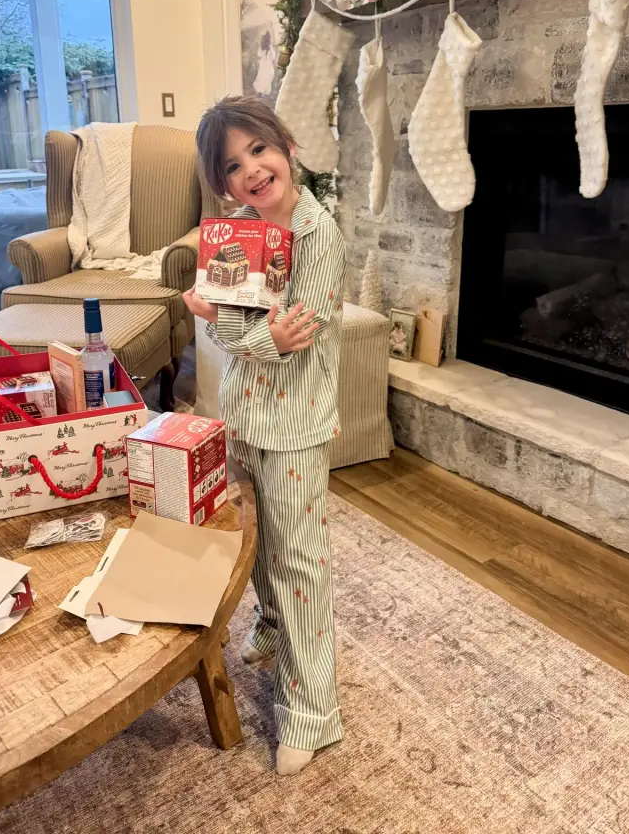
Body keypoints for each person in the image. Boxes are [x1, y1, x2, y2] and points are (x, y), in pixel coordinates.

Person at [183, 95, 346, 777]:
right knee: (257, 544)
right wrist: (225, 319)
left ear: (286, 147)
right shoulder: (235, 233)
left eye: (260, 149)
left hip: (298, 426)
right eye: (233, 164)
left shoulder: (317, 233)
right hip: (243, 415)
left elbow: (299, 339)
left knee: (300, 562)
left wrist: (252, 333)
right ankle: (273, 630)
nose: (251, 169)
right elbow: (225, 331)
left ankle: (312, 713)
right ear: (222, 183)